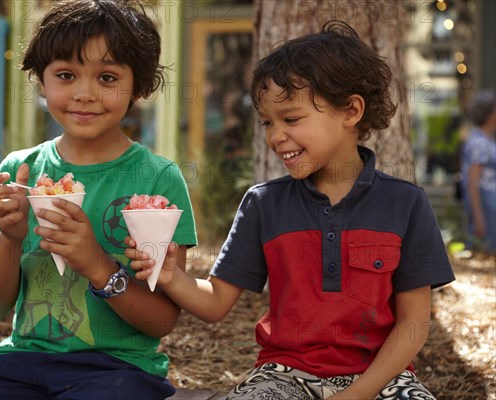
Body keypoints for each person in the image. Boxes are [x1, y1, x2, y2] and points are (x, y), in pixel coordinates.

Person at [127, 21, 455, 400]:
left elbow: (414, 323)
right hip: (284, 377)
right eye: (267, 122)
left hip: (381, 379)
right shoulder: (263, 204)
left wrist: (359, 393)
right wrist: (171, 278)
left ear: (350, 111)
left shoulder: (406, 204)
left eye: (292, 119)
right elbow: (216, 302)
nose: (275, 136)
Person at [0, 1, 197, 398]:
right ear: (41, 80)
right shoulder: (20, 172)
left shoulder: (157, 180)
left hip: (120, 369)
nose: (85, 93)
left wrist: (97, 264)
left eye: (107, 77)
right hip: (20, 363)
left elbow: (161, 322)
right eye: (66, 74)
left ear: (140, 85)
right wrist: (11, 238)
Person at [460, 90, 496, 253]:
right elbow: (472, 182)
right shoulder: (479, 143)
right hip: (486, 208)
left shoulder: (486, 140)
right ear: (489, 115)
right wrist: (479, 219)